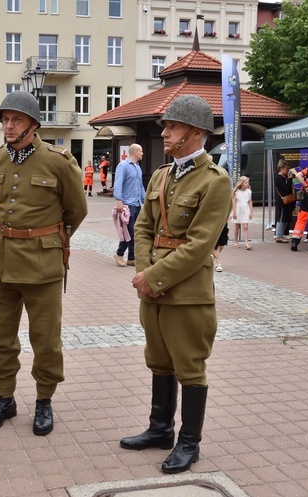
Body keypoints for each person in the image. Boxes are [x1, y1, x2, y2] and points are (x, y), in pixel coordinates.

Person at [124, 94, 232, 474]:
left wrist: (154, 277)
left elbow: (201, 243)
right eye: (166, 127)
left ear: (195, 132)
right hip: (151, 287)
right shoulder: (161, 175)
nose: (165, 133)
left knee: (189, 367)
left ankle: (190, 443)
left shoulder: (216, 181)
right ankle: (159, 429)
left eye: (172, 126)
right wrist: (144, 273)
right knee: (158, 361)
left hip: (187, 292)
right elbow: (143, 228)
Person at [0, 91, 88, 436]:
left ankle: (44, 400)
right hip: (0, 264)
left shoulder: (58, 160)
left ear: (33, 124)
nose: (9, 127)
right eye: (5, 120)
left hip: (43, 265)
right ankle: (5, 398)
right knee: (0, 338)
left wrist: (49, 238)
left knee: (45, 340)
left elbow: (77, 210)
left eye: (16, 120)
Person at [112, 144, 145, 267]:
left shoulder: (137, 167)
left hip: (136, 203)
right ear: (135, 152)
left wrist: (145, 200)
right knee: (129, 231)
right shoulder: (123, 166)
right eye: (141, 151)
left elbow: (140, 186)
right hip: (127, 204)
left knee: (135, 231)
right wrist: (119, 200)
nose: (142, 153)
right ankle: (119, 254)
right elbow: (118, 183)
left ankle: (131, 258)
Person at [274, 159, 295, 243]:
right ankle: (279, 235)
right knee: (281, 217)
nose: (287, 171)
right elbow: (286, 188)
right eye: (286, 169)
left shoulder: (285, 177)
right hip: (282, 201)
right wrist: (290, 180)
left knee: (286, 217)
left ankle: (283, 233)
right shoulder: (278, 178)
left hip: (289, 201)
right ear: (281, 168)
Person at [231, 176, 253, 250]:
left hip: (245, 209)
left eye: (248, 183)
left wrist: (251, 212)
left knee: (245, 226)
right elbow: (234, 202)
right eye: (246, 182)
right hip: (238, 209)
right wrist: (234, 212)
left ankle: (246, 242)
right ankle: (235, 241)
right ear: (241, 183)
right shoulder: (237, 191)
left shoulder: (248, 192)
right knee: (237, 226)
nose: (247, 184)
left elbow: (250, 202)